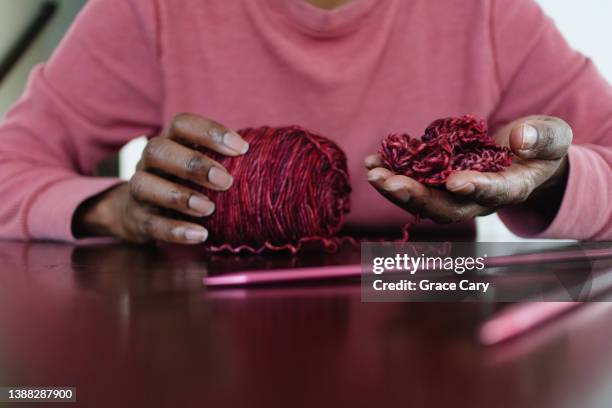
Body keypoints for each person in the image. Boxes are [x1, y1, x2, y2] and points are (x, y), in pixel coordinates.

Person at [0, 0, 610, 244]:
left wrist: (551, 181)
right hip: (209, 348)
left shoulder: (486, 12)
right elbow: (11, 167)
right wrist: (116, 210)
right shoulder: (154, 9)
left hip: (438, 323)